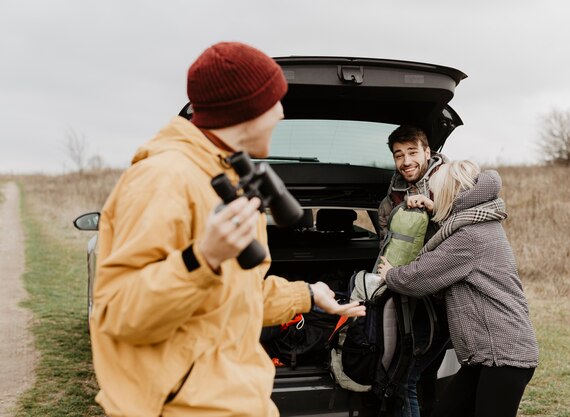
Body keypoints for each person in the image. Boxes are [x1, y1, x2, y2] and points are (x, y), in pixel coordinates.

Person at [89, 42, 365, 417]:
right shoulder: (164, 178)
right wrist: (203, 258)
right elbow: (119, 314)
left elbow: (233, 294)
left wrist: (309, 295)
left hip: (236, 399)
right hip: (183, 407)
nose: (281, 114)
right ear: (246, 110)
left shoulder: (222, 177)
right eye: (275, 103)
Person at [377, 160, 539, 417]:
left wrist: (391, 274)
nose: (433, 196)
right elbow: (449, 234)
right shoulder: (476, 224)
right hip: (486, 356)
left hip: (503, 356)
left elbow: (420, 276)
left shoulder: (469, 237)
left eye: (436, 193)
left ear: (449, 192)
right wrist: (434, 210)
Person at [378, 125, 450, 417]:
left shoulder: (448, 184)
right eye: (399, 155)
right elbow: (385, 244)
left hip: (441, 303)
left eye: (412, 152)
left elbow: (466, 232)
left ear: (427, 152)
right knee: (421, 380)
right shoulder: (391, 198)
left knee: (406, 380)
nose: (406, 161)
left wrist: (435, 208)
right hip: (408, 299)